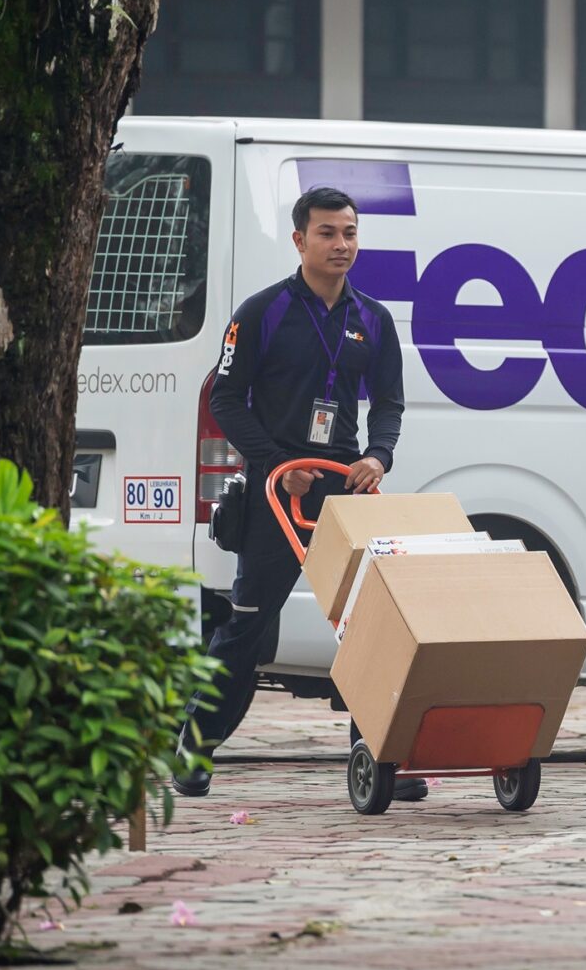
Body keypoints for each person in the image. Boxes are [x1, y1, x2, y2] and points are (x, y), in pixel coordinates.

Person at [172, 186, 414, 799]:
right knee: (248, 627)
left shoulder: (374, 320)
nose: (341, 244)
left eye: (350, 233)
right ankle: (194, 746)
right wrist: (276, 463)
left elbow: (390, 403)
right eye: (328, 233)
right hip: (276, 490)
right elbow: (225, 400)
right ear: (300, 240)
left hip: (343, 490)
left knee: (370, 627)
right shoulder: (262, 312)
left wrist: (377, 456)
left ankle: (377, 757)